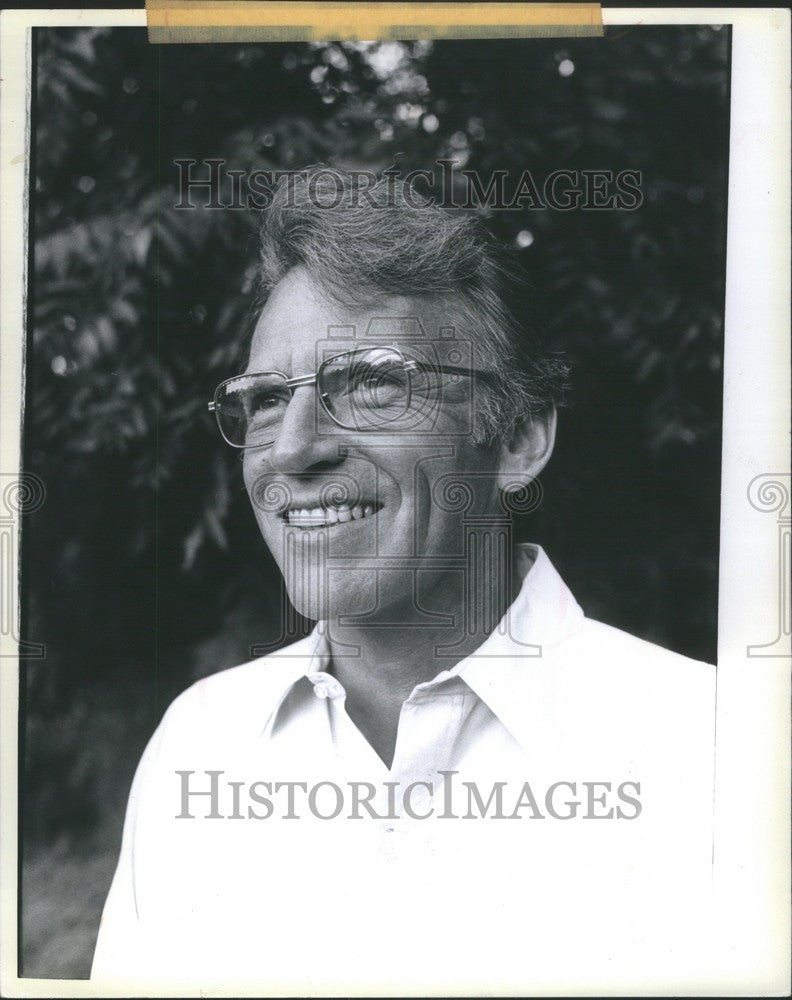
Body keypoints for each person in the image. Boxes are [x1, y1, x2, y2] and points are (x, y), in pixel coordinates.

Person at [91, 168, 717, 993]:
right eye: (267, 400)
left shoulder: (714, 748)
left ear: (518, 439)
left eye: (372, 383)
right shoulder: (196, 744)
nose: (291, 449)